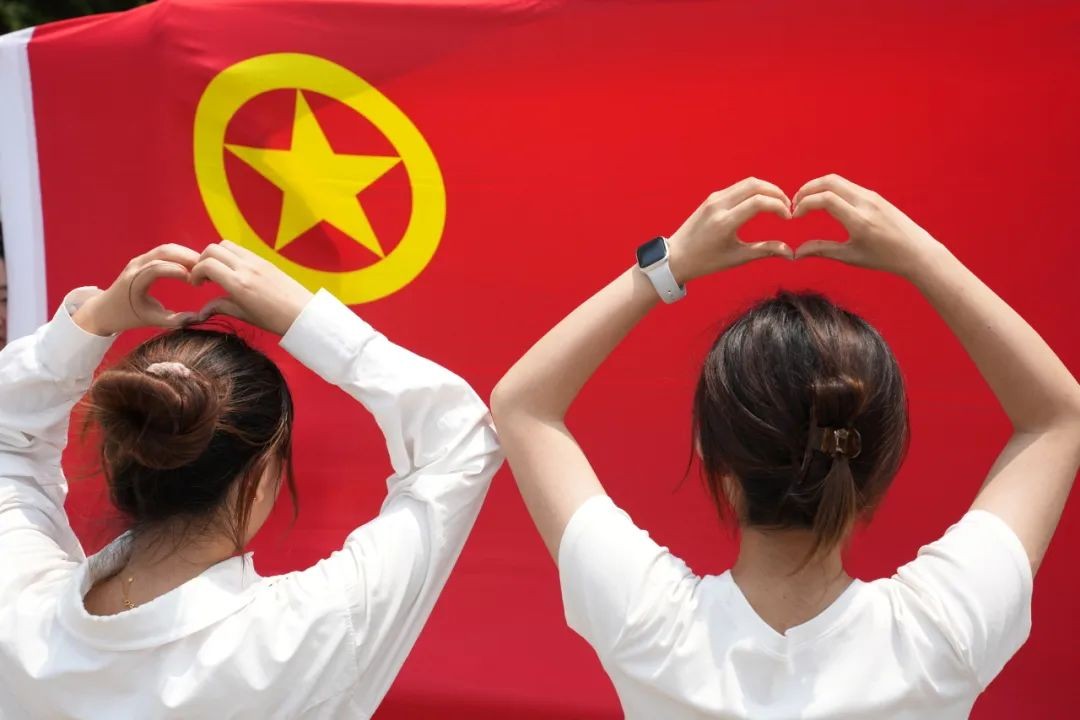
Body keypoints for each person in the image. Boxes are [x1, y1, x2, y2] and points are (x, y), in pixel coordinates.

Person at [491, 175, 1080, 719]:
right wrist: (919, 257)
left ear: (710, 450)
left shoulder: (649, 629)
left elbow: (522, 406)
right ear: (881, 458)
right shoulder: (942, 636)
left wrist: (668, 265)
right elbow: (1058, 419)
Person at [0, 241, 502, 718]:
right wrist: (309, 321)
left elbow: (10, 444)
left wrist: (91, 321)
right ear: (258, 479)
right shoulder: (299, 635)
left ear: (119, 453)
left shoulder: (20, 612)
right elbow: (457, 437)